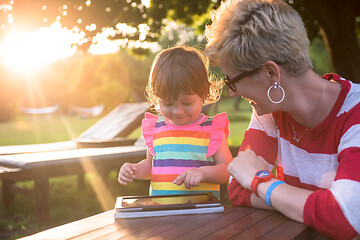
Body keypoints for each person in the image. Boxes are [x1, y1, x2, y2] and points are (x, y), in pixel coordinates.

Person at [204, 0, 359, 239]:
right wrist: (317, 202)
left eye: (232, 81)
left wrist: (262, 183)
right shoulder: (270, 112)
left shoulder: (355, 113)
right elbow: (238, 188)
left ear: (270, 73)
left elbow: (344, 217)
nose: (232, 93)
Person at [118, 46, 233, 199]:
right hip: (162, 212)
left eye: (186, 103)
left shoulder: (211, 130)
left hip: (202, 214)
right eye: (168, 103)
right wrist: (135, 169)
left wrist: (203, 173)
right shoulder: (156, 129)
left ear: (203, 93)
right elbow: (150, 166)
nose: (178, 111)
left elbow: (228, 170)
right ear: (156, 97)